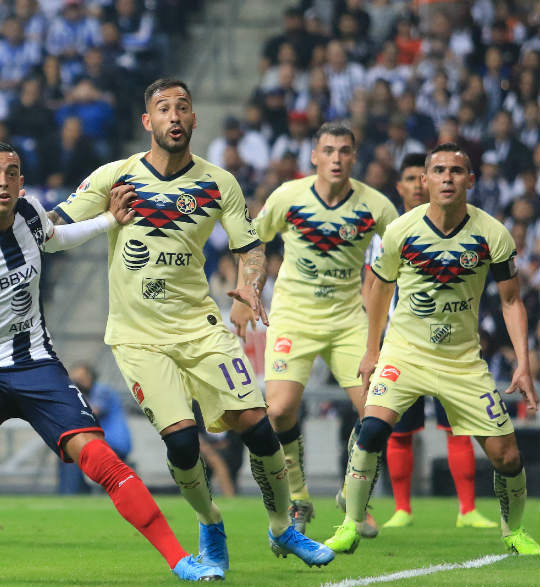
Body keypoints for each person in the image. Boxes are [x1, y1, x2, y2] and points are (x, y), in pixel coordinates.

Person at [0, 142, 224, 583]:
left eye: (12, 172)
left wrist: (108, 220)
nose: (3, 181)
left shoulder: (30, 214)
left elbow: (56, 238)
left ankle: (180, 560)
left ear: (21, 182)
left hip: (38, 366)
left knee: (100, 458)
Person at [50, 78, 333, 572]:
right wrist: (98, 222)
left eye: (183, 107)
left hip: (200, 328)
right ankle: (209, 521)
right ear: (148, 122)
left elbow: (250, 247)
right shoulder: (115, 177)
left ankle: (282, 528)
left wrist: (249, 286)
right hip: (138, 337)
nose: (175, 116)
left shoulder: (218, 183)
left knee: (257, 426)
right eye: (164, 108)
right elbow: (52, 231)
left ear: (194, 119)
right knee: (182, 442)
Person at [325, 143, 540, 556]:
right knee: (372, 429)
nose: (447, 178)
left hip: (462, 361)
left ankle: (513, 531)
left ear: (470, 180)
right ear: (425, 180)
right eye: (438, 170)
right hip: (405, 354)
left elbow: (511, 301)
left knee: (508, 456)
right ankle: (351, 523)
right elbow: (380, 289)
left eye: (456, 171)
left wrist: (524, 363)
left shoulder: (492, 233)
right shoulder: (401, 231)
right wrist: (373, 351)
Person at [231, 122, 398, 538]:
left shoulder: (375, 206)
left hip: (348, 321)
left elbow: (402, 253)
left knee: (374, 412)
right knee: (281, 409)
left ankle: (354, 497)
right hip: (294, 317)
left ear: (354, 157)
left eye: (344, 150)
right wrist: (244, 293)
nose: (337, 158)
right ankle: (299, 497)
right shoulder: (289, 197)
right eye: (328, 150)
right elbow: (255, 240)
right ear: (314, 156)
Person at [371, 153, 497, 530]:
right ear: (407, 185)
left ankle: (468, 509)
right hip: (405, 345)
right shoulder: (392, 233)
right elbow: (375, 287)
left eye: (417, 177)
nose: (415, 185)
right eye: (409, 178)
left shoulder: (468, 228)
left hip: (452, 347)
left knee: (456, 427)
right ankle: (402, 509)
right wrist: (374, 342)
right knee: (398, 429)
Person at [57, 363, 132, 494]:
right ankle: (77, 494)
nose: (78, 383)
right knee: (68, 456)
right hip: (100, 442)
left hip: (113, 443)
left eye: (81, 380)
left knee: (74, 455)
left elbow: (92, 412)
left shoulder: (101, 391)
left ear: (91, 377)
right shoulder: (86, 395)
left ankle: (71, 495)